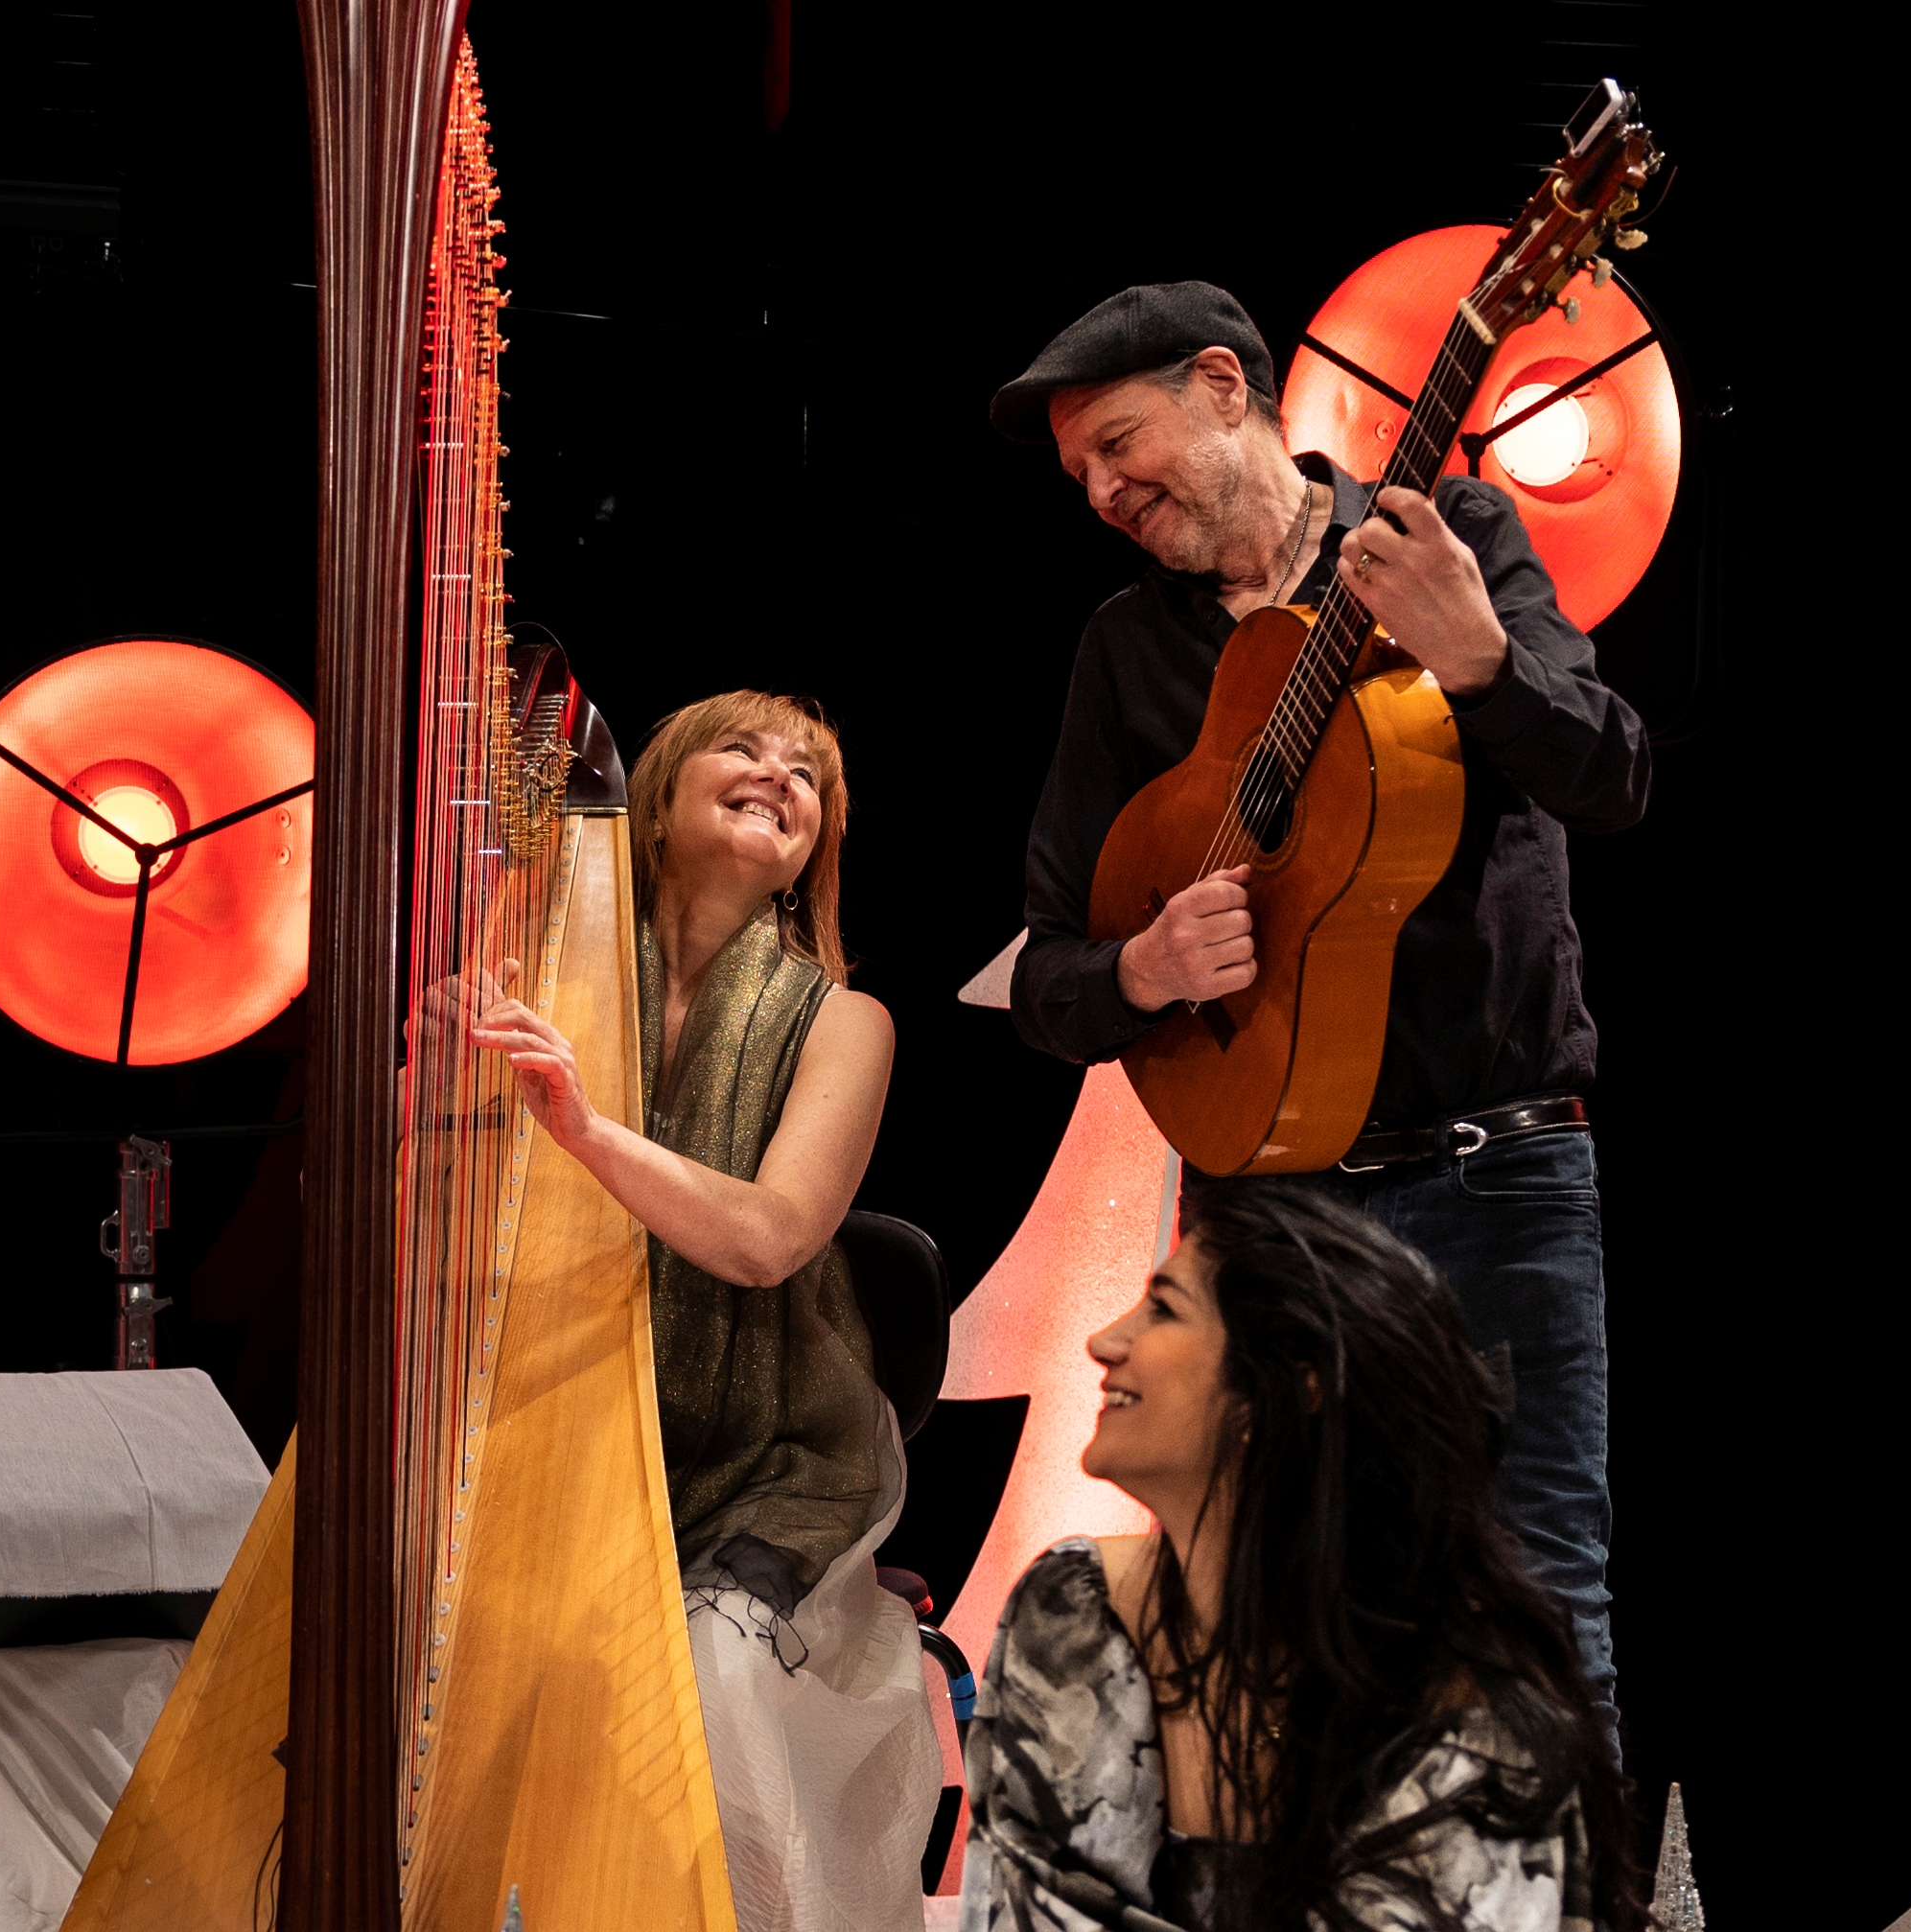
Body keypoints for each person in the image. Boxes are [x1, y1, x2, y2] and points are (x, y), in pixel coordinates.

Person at [993, 283, 1648, 1714]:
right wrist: (1140, 969)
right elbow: (1045, 974)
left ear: (1224, 387)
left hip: (1494, 1177)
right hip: (1262, 1209)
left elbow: (1611, 775)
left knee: (1539, 1607)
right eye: (1079, 474)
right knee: (1266, 1621)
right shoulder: (1126, 649)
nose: (1100, 492)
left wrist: (1479, 661)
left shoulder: (1447, 535)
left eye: (1117, 444)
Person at [470, 690, 938, 1931]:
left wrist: (583, 1128)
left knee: (716, 1680)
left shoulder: (845, 1021)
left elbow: (768, 1239)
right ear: (655, 796)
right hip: (549, 1434)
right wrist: (433, 1085)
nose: (778, 776)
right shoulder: (542, 982)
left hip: (768, 1454)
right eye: (742, 748)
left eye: (807, 775)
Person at [960, 1184, 1636, 1932]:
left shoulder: (1471, 1706)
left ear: (1285, 1386)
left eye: (1164, 1309)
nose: (1103, 1341)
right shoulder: (1075, 1606)